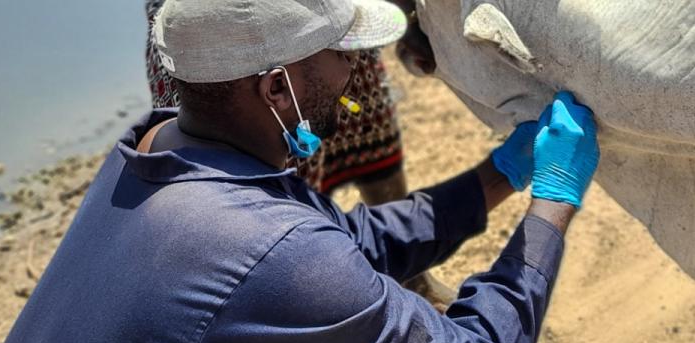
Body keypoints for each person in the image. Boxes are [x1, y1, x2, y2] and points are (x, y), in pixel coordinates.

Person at [0, 0, 601, 343]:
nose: (358, 71)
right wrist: (551, 206)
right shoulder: (276, 254)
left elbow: (357, 238)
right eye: (343, 54)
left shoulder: (160, 149)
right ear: (275, 88)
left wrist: (500, 175)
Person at [142, 0, 459, 311]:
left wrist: (411, 18)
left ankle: (405, 275)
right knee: (256, 165)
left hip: (310, 20)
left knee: (354, 118)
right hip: (210, 30)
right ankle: (288, 293)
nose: (351, 60)